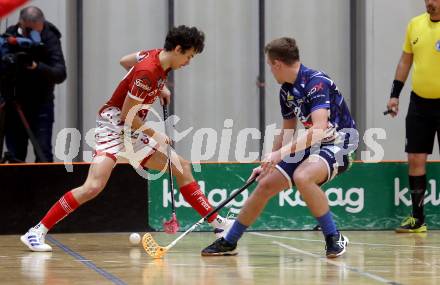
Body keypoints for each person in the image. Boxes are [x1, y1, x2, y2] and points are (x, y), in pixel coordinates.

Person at [20, 25, 232, 252]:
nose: (188, 62)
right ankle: (36, 231)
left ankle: (218, 224)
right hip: (113, 127)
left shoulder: (154, 57)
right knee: (92, 187)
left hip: (132, 131)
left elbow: (124, 61)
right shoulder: (147, 72)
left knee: (182, 167)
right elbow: (127, 116)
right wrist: (156, 134)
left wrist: (158, 89)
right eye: (188, 56)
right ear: (178, 49)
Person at [201, 37, 358, 258]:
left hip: (341, 142)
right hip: (314, 144)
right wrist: (268, 162)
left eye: (270, 66)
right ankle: (230, 241)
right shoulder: (286, 91)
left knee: (304, 177)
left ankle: (334, 237)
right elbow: (287, 131)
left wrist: (280, 154)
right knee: (265, 184)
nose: (271, 72)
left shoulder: (316, 82)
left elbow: (320, 128)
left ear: (277, 64)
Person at [386, 0, 440, 233]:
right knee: (415, 159)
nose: (429, 2)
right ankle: (417, 219)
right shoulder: (415, 24)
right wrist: (394, 95)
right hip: (419, 104)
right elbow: (405, 60)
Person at [3, 6, 67, 162]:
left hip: (41, 105)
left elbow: (60, 73)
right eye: (32, 31)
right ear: (22, 24)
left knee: (43, 153)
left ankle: (45, 186)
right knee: (15, 155)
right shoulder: (8, 37)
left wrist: (37, 67)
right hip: (14, 104)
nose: (37, 35)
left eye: (39, 30)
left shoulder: (49, 36)